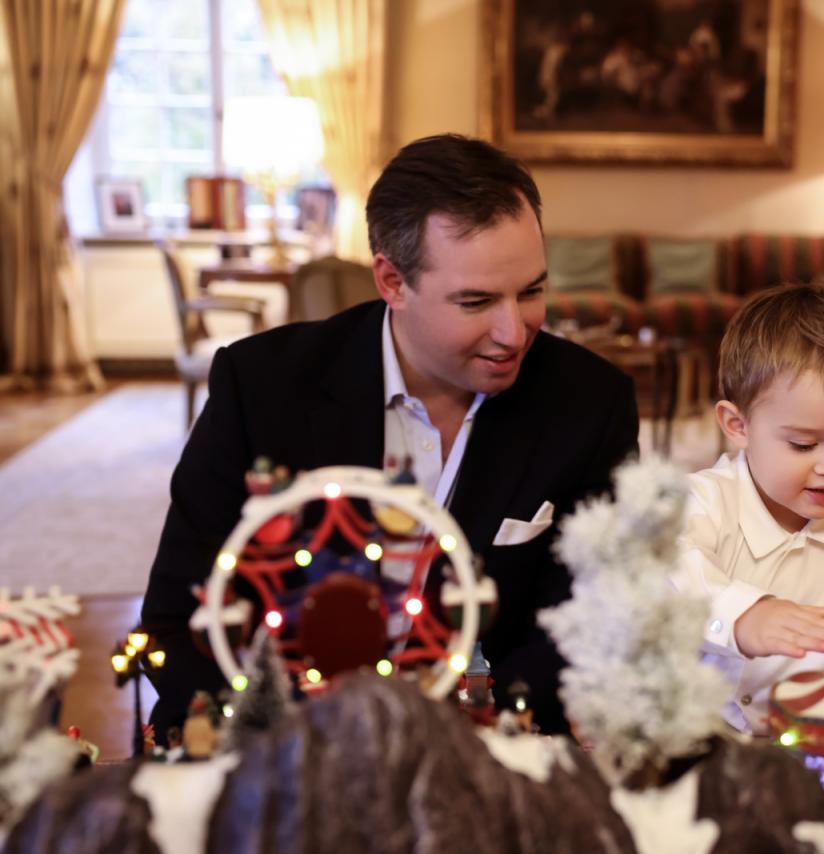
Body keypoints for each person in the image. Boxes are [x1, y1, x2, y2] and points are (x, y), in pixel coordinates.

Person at [141, 134, 639, 740]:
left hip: (490, 755)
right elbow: (179, 614)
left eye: (531, 291)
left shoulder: (592, 403)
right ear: (391, 281)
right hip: (281, 747)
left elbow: (591, 619)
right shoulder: (261, 387)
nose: (515, 331)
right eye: (477, 301)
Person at [669, 283, 824, 734]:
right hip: (693, 735)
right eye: (803, 444)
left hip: (819, 741)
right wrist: (742, 615)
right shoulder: (702, 501)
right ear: (738, 426)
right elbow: (662, 568)